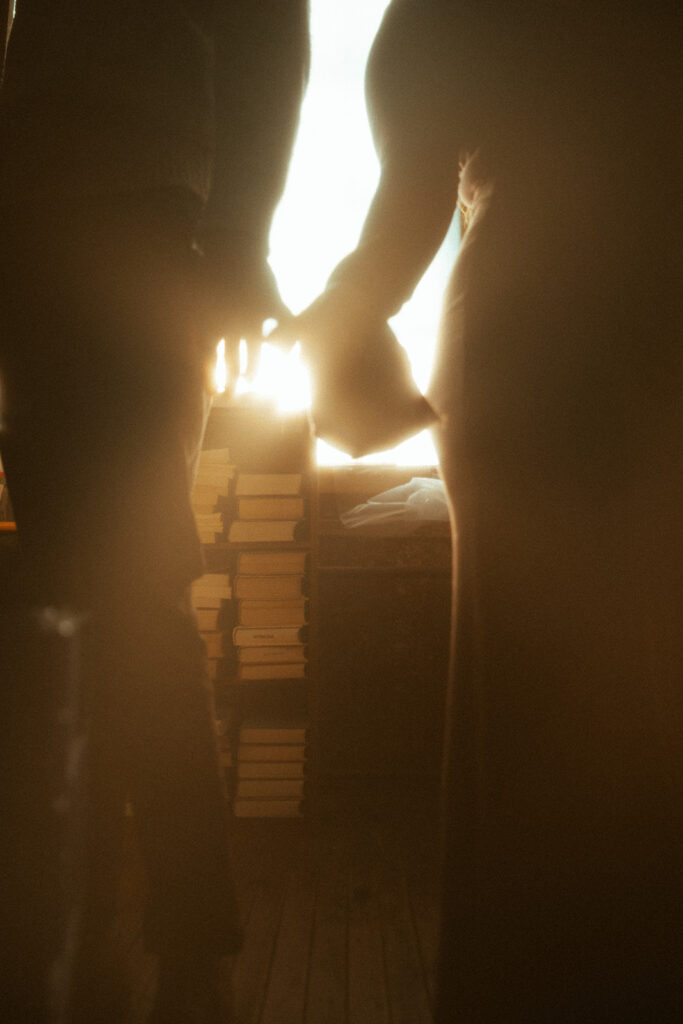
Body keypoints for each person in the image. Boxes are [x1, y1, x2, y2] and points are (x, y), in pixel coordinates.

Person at [290, 1, 683, 1019]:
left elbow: (405, 205)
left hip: (530, 326)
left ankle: (528, 977)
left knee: (521, 692)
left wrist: (334, 313)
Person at [0, 2, 309, 1021]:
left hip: (119, 212)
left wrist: (235, 236)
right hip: (72, 211)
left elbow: (265, 20)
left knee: (120, 592)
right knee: (81, 592)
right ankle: (130, 938)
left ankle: (167, 942)